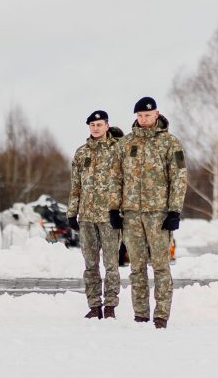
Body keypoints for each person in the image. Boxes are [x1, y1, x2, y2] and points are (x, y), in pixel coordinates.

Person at [116, 96, 187, 329]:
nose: (144, 119)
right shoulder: (126, 144)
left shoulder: (170, 143)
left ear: (156, 115)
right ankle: (140, 315)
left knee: (160, 266)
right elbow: (115, 179)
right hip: (131, 215)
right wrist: (114, 209)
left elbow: (179, 177)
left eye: (147, 115)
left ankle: (161, 316)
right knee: (136, 268)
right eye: (140, 115)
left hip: (159, 214)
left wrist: (174, 210)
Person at [68, 110, 123, 319]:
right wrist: (72, 212)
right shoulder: (82, 153)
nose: (96, 128)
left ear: (107, 126)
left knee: (111, 265)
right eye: (92, 125)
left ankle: (110, 306)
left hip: (110, 216)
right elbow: (75, 185)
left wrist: (120, 211)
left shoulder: (118, 149)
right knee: (90, 265)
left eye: (99, 124)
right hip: (87, 217)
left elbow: (126, 182)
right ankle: (94, 306)